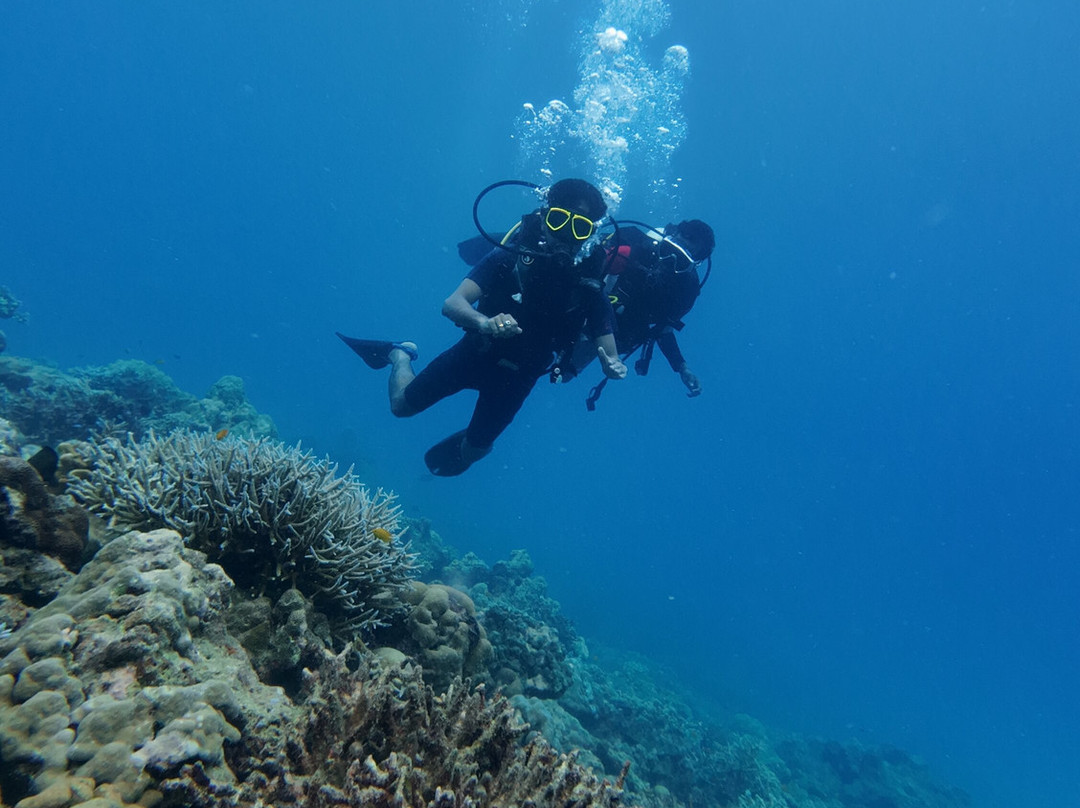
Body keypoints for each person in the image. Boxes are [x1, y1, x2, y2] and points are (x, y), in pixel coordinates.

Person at [338, 178, 627, 476]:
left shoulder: (590, 289)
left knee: (472, 453)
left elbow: (609, 349)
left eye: (579, 228)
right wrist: (484, 322)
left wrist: (611, 364)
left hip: (518, 380)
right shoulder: (509, 258)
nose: (566, 236)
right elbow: (453, 303)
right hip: (475, 355)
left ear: (590, 235)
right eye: (557, 221)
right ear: (543, 219)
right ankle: (399, 355)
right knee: (400, 407)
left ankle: (473, 440)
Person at [575, 219, 715, 408]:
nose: (670, 262)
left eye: (680, 261)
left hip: (609, 339)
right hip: (576, 310)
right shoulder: (632, 244)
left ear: (694, 264)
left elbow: (662, 328)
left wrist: (681, 367)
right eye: (669, 251)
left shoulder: (684, 291)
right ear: (670, 236)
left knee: (565, 373)